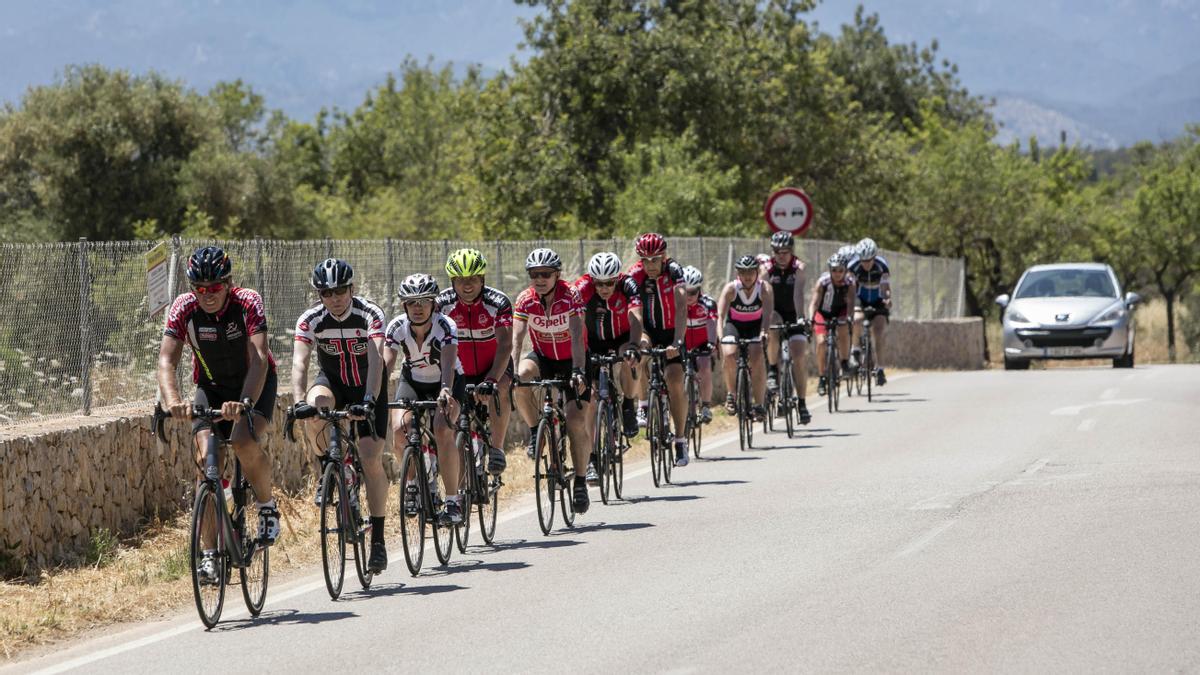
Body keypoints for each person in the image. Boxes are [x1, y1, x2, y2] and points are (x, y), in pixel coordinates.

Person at [157, 246, 278, 583]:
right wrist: (174, 401)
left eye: (214, 288)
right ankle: (209, 554)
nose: (207, 295)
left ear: (228, 283)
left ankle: (267, 506)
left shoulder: (247, 301)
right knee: (204, 462)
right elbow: (167, 360)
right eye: (200, 288)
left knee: (241, 440)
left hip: (255, 381)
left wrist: (243, 402)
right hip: (210, 387)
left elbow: (259, 358)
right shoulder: (184, 307)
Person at [290, 258, 390, 573]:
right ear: (319, 295)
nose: (335, 298)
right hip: (332, 383)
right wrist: (296, 401)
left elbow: (376, 362)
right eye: (327, 292)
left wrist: (370, 401)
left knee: (370, 458)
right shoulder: (311, 320)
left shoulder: (370, 314)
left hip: (368, 387)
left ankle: (378, 541)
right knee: (315, 407)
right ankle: (328, 470)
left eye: (341, 290)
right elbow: (300, 363)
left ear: (352, 288)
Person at [511, 248, 592, 514]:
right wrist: (511, 370)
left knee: (575, 420)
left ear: (557, 275)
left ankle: (580, 481)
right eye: (535, 274)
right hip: (544, 356)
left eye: (546, 274)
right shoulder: (525, 299)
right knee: (521, 378)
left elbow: (577, 332)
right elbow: (517, 338)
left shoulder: (570, 295)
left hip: (573, 358)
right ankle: (536, 430)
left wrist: (579, 370)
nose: (540, 279)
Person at [384, 274, 466, 525]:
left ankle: (453, 502)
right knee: (399, 429)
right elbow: (387, 366)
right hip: (413, 381)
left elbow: (449, 362)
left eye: (424, 302)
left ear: (434, 304)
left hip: (448, 380)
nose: (418, 308)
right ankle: (412, 483)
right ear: (404, 306)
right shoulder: (397, 327)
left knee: (442, 429)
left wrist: (445, 390)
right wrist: (373, 395)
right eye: (411, 303)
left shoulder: (446, 325)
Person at [437, 248, 513, 475]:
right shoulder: (443, 304)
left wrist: (491, 379)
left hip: (493, 366)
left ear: (482, 279)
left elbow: (505, 345)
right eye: (460, 280)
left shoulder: (498, 302)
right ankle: (458, 494)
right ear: (452, 281)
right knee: (458, 423)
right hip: (461, 370)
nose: (466, 285)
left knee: (501, 388)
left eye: (472, 279)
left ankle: (497, 448)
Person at [574, 251, 643, 482]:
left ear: (617, 278)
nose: (604, 288)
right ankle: (592, 457)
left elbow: (636, 316)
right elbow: (574, 320)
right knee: (591, 399)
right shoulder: (583, 287)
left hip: (621, 337)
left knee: (630, 358)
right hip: (592, 342)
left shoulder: (628, 284)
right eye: (599, 284)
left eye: (609, 283)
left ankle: (629, 405)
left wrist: (633, 345)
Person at [626, 233, 690, 467]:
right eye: (645, 260)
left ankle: (681, 439)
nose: (650, 265)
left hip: (672, 331)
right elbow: (632, 310)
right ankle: (643, 404)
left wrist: (677, 342)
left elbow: (682, 307)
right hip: (649, 330)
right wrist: (639, 335)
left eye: (655, 259)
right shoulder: (634, 275)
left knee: (674, 380)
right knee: (640, 352)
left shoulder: (674, 271)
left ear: (664, 256)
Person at [757, 231, 811, 425]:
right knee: (772, 327)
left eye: (785, 252)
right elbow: (766, 297)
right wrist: (766, 319)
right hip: (774, 310)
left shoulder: (799, 268)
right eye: (778, 252)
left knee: (799, 356)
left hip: (793, 312)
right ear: (773, 252)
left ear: (791, 251)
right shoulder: (766, 270)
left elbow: (798, 294)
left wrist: (801, 318)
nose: (781, 255)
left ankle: (803, 403)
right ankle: (773, 369)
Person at [716, 255, 774, 421]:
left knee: (757, 356)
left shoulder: (764, 289)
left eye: (751, 272)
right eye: (743, 272)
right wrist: (720, 338)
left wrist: (764, 332)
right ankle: (731, 394)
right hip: (734, 326)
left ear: (757, 273)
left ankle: (759, 403)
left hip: (755, 327)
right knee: (728, 354)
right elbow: (719, 315)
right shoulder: (731, 288)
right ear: (738, 273)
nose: (747, 276)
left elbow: (768, 314)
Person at [809, 253, 857, 396]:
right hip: (823, 312)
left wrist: (849, 317)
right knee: (822, 342)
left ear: (845, 270)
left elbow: (851, 303)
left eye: (840, 270)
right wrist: (811, 318)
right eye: (834, 270)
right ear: (830, 270)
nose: (837, 274)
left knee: (843, 329)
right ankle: (822, 377)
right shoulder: (823, 282)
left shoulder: (850, 283)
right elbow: (814, 303)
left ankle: (844, 362)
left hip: (841, 311)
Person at [848, 238, 891, 386]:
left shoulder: (882, 266)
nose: (866, 264)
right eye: (863, 260)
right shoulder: (853, 266)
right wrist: (851, 306)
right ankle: (855, 350)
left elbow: (885, 287)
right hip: (860, 298)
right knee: (858, 319)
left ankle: (880, 369)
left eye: (869, 260)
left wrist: (887, 299)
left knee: (878, 331)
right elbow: (851, 290)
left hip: (877, 299)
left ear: (874, 257)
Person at [681, 265, 716, 425]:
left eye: (693, 292)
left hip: (701, 343)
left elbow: (712, 324)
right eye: (685, 292)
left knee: (705, 365)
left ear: (699, 289)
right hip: (682, 344)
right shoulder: (675, 303)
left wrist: (712, 343)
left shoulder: (707, 303)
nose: (689, 296)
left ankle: (706, 406)